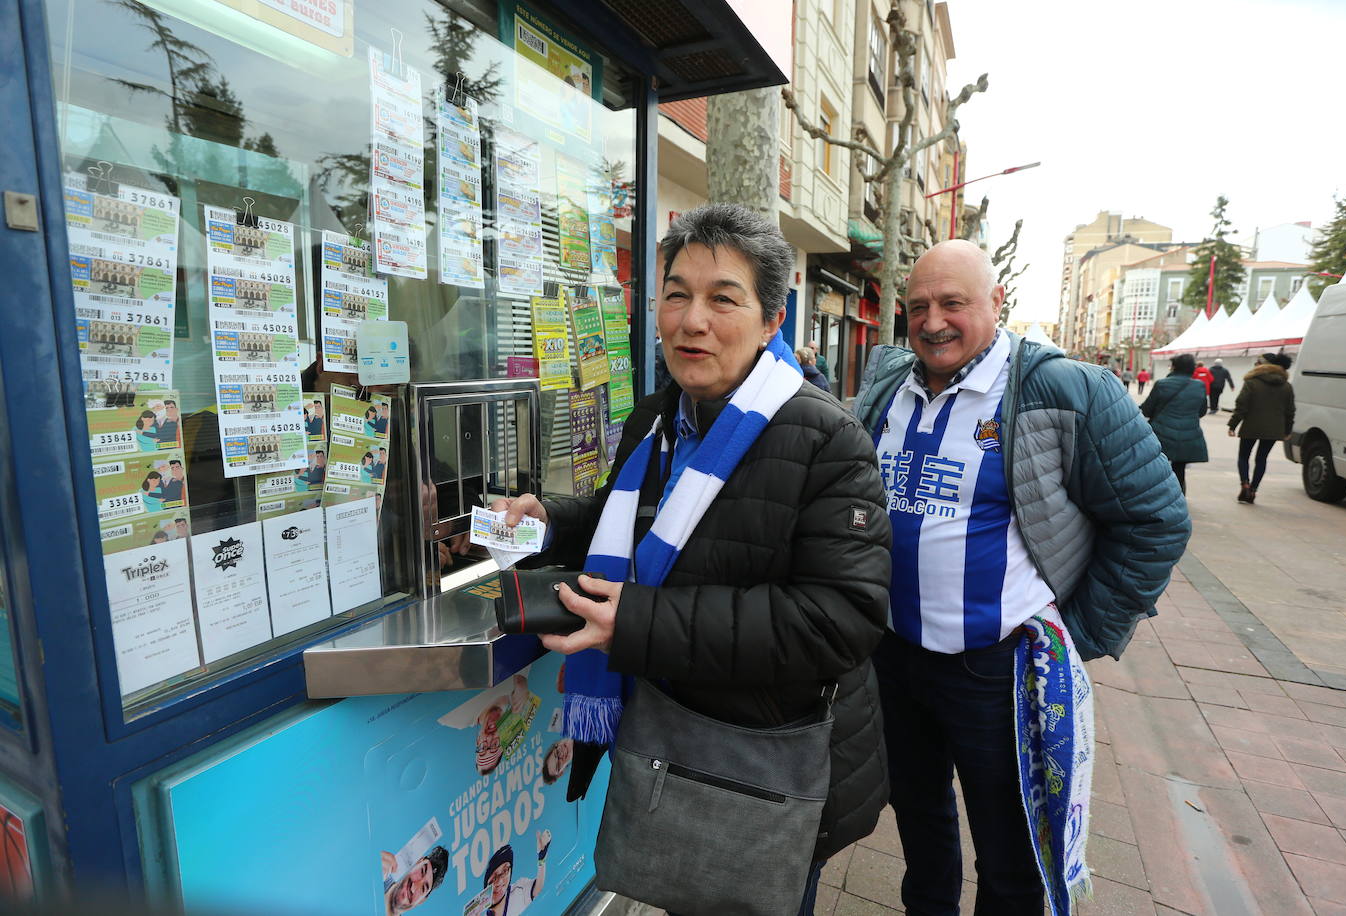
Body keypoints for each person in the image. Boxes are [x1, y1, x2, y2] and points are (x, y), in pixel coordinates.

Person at [492, 204, 892, 916]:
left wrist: (639, 622)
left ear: (773, 320)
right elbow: (633, 524)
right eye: (676, 294)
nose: (691, 320)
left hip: (761, 759)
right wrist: (553, 520)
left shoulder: (828, 439)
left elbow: (839, 620)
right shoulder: (656, 417)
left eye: (722, 299)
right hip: (666, 739)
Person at [852, 239, 1190, 916]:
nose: (933, 321)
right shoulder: (888, 382)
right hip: (892, 659)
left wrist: (1079, 631)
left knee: (1010, 857)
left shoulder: (1065, 390)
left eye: (954, 303)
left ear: (996, 302)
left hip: (996, 671)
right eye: (918, 306)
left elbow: (1157, 521)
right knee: (919, 825)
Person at [1228, 352, 1295, 503]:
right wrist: (1287, 430)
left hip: (1251, 425)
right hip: (1274, 429)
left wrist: (1233, 424)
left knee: (1244, 456)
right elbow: (1290, 410)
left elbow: (1242, 405)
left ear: (1262, 365)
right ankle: (1253, 489)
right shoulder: (1286, 386)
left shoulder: (1252, 382)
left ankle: (1244, 483)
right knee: (1262, 459)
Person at [1142, 353, 1209, 494]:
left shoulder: (1162, 384)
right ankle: (1178, 497)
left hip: (1161, 433)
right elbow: (1202, 411)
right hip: (1189, 434)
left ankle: (1157, 496)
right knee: (1180, 469)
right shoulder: (1199, 386)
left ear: (1174, 367)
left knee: (1157, 466)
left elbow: (1147, 410)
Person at [482, 834, 550, 916]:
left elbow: (538, 888)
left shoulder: (518, 891)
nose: (500, 881)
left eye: (505, 871)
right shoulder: (483, 913)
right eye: (494, 878)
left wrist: (541, 860)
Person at [381, 845, 449, 915]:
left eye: (423, 888)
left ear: (421, 901)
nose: (414, 887)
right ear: (416, 863)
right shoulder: (378, 874)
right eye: (422, 871)